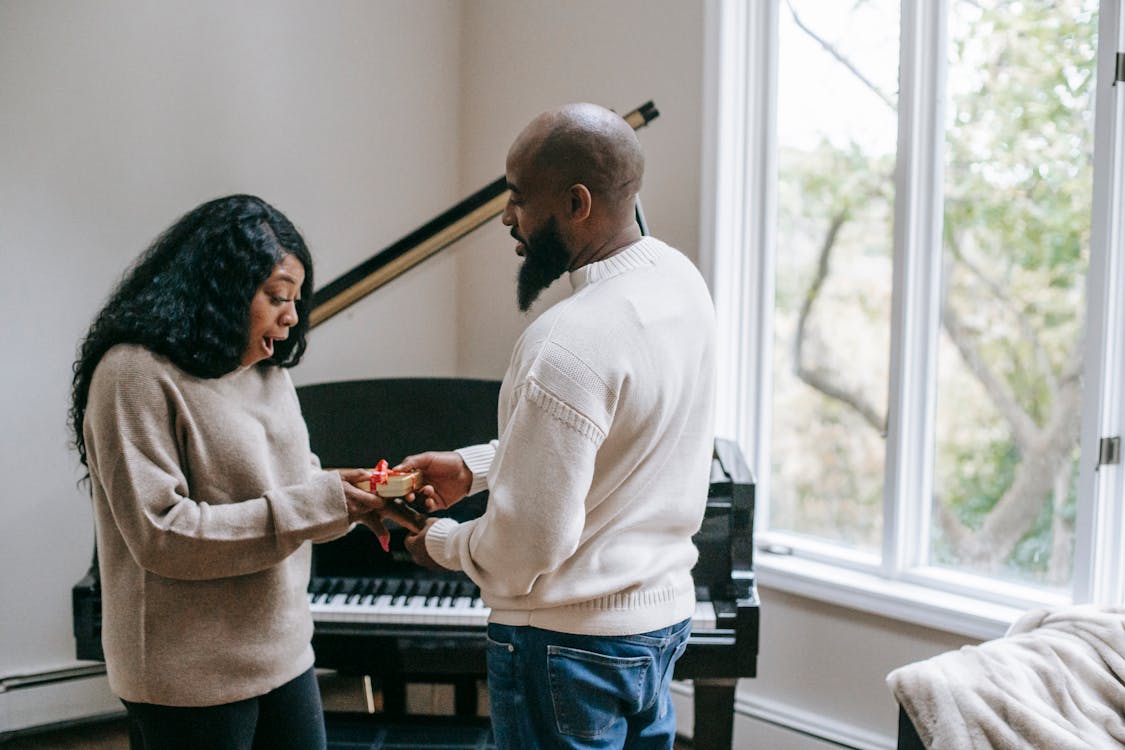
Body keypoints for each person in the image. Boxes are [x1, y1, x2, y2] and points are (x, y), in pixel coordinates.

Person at [401, 103, 718, 749]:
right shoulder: (681, 283)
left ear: (576, 203)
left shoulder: (566, 340)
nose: (506, 218)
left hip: (564, 648)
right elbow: (622, 439)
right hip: (655, 628)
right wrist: (474, 468)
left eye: (517, 198)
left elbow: (528, 547)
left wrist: (438, 542)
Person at [68, 194, 392, 750]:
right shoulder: (132, 373)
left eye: (295, 299)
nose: (291, 317)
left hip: (286, 650)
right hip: (187, 675)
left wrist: (357, 502)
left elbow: (298, 486)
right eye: (276, 298)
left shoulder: (267, 369)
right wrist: (319, 504)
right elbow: (163, 534)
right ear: (220, 289)